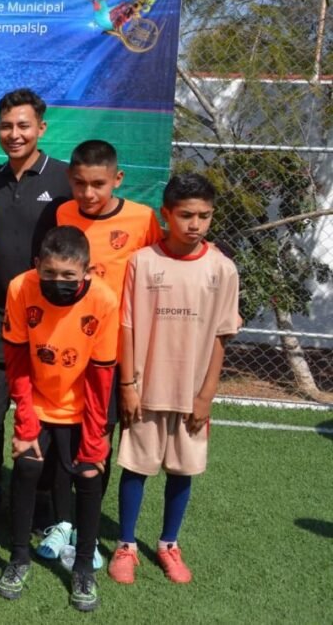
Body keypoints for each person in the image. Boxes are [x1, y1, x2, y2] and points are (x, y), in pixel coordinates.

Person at [108, 174, 239, 586]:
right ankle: (126, 545)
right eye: (185, 215)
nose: (195, 224)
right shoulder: (142, 262)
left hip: (191, 391)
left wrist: (206, 395)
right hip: (146, 389)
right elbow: (127, 327)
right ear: (166, 215)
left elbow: (221, 335)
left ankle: (168, 543)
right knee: (136, 466)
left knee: (183, 469)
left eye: (204, 215)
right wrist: (127, 385)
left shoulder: (222, 269)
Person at [35, 139, 162, 562]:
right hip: (63, 349)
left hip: (113, 352)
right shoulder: (61, 212)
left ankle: (84, 521)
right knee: (60, 438)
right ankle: (62, 523)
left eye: (98, 184)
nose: (88, 194)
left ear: (117, 179)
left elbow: (164, 263)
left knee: (96, 440)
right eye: (80, 184)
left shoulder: (143, 219)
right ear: (70, 179)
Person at [0, 226, 118, 612]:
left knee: (88, 475)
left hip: (84, 405)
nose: (58, 282)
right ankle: (18, 558)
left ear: (87, 271)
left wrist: (95, 437)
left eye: (69, 275)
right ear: (37, 266)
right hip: (39, 398)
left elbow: (101, 376)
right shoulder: (20, 288)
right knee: (27, 468)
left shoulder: (104, 299)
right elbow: (16, 361)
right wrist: (26, 423)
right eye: (50, 273)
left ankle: (83, 566)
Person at [0, 88, 71, 527]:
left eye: (23, 126)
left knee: (47, 414)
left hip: (50, 319)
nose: (14, 134)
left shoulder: (67, 181)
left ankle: (44, 498)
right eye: (6, 126)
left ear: (41, 129)